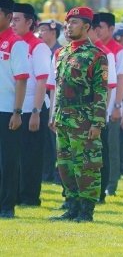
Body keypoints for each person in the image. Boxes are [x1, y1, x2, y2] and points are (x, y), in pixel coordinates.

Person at [50, 6, 108, 222]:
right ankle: (72, 205)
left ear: (86, 27)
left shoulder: (96, 55)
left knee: (86, 165)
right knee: (65, 165)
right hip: (63, 118)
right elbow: (58, 87)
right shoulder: (62, 53)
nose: (68, 26)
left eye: (74, 23)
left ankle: (86, 210)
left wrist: (97, 122)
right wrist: (55, 115)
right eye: (67, 22)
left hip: (84, 119)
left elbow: (101, 91)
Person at [11, 2, 52, 207]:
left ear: (30, 22)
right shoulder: (12, 43)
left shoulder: (38, 47)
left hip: (33, 107)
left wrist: (36, 111)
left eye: (17, 19)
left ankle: (30, 197)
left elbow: (42, 81)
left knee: (31, 154)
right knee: (14, 154)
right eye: (11, 18)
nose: (12, 23)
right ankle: (15, 193)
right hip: (15, 107)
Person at [0, 0, 29, 218]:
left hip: (7, 110)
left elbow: (21, 79)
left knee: (9, 159)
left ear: (9, 17)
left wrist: (17, 111)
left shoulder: (17, 43)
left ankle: (7, 205)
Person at [93, 12, 123, 197]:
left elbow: (121, 79)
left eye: (101, 27)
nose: (97, 31)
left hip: (111, 106)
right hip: (95, 108)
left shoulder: (118, 51)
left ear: (112, 29)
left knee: (111, 147)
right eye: (95, 27)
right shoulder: (92, 47)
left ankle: (111, 184)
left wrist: (117, 105)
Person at [88, 16, 118, 204]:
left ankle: (99, 192)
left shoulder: (104, 53)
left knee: (100, 154)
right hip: (79, 114)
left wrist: (102, 115)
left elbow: (109, 87)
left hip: (97, 114)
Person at [38, 19, 62, 184]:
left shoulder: (59, 51)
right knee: (45, 143)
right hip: (42, 100)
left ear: (53, 32)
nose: (40, 33)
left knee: (55, 143)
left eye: (44, 30)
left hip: (52, 99)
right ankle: (46, 173)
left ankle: (57, 174)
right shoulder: (41, 50)